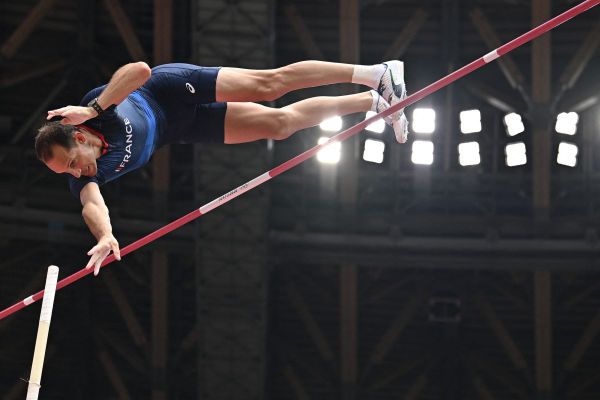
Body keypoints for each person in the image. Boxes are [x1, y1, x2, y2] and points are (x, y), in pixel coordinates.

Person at [34, 60, 409, 275]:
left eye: (70, 163)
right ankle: (374, 102)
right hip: (179, 129)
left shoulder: (97, 109)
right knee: (279, 126)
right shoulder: (90, 175)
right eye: (65, 173)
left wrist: (95, 108)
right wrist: (105, 236)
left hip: (169, 90)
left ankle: (376, 73)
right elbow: (92, 205)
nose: (75, 173)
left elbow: (141, 71)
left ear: (80, 136)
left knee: (270, 85)